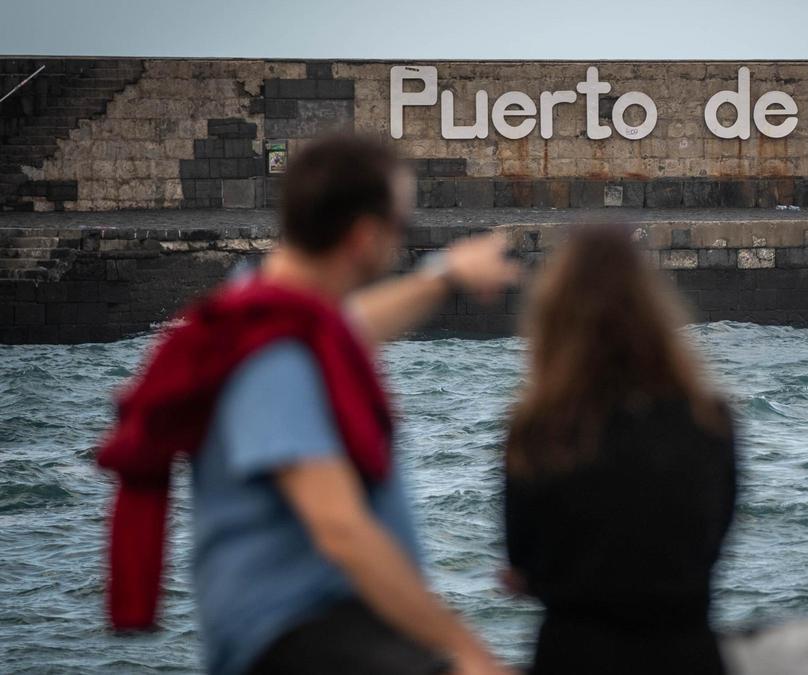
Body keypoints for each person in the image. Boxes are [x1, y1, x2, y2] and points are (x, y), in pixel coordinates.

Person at [96, 135, 519, 675]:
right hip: (302, 639)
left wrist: (445, 277)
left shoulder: (269, 319)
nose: (399, 244)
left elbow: (352, 326)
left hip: (320, 631)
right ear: (365, 237)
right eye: (400, 228)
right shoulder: (275, 357)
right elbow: (339, 527)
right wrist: (469, 654)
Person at [502, 224, 739, 675]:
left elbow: (523, 561)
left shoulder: (536, 428)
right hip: (685, 652)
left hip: (574, 653)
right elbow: (714, 536)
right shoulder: (711, 420)